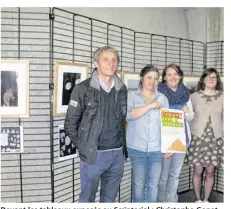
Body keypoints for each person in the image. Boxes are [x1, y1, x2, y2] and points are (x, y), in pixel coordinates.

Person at [64, 45, 128, 202]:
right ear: (96, 63)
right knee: (87, 199)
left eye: (114, 60)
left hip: (117, 154)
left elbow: (122, 119)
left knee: (109, 199)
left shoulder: (122, 89)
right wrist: (85, 147)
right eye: (106, 59)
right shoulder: (82, 89)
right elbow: (70, 124)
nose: (111, 63)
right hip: (94, 156)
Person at [126, 64, 169, 202]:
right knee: (138, 184)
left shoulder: (163, 98)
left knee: (153, 184)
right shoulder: (131, 96)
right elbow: (128, 115)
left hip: (157, 149)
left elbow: (168, 125)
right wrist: (150, 105)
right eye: (149, 77)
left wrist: (169, 146)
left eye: (156, 78)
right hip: (136, 148)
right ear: (141, 78)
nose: (152, 81)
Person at [185, 68, 223, 203]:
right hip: (198, 140)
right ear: (203, 80)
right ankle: (198, 199)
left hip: (215, 141)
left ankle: (206, 199)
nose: (212, 80)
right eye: (208, 77)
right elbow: (188, 117)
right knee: (197, 172)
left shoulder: (224, 96)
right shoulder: (193, 97)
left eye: (214, 77)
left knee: (210, 172)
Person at [157, 63, 194, 202]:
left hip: (181, 140)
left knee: (175, 175)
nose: (173, 77)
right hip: (164, 141)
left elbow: (191, 117)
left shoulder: (185, 94)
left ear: (180, 76)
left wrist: (186, 113)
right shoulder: (159, 93)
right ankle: (161, 202)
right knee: (163, 175)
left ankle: (172, 201)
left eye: (175, 74)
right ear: (164, 78)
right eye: (169, 74)